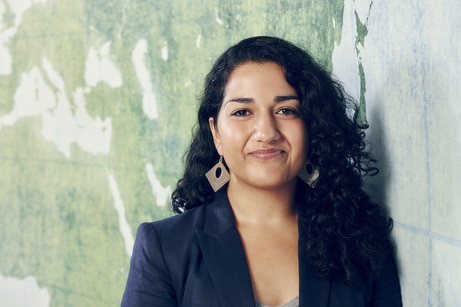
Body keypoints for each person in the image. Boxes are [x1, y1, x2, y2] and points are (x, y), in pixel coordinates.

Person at [121, 36, 402, 307]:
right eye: (242, 112)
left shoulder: (359, 240)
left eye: (286, 110)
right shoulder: (164, 247)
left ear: (312, 126)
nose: (267, 133)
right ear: (215, 133)